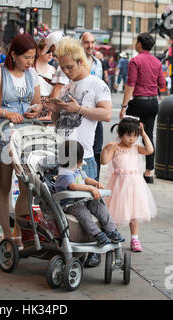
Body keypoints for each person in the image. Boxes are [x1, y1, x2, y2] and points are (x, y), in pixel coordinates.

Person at [46, 36, 112, 268]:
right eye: (62, 67)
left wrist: (79, 108)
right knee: (70, 208)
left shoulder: (96, 84)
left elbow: (106, 114)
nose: (66, 71)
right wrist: (52, 108)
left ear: (81, 61)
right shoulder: (66, 86)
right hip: (62, 155)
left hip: (83, 158)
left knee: (92, 204)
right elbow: (57, 119)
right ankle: (74, 246)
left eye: (69, 67)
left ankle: (96, 249)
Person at [0, 33, 42, 248]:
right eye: (26, 57)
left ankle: (19, 232)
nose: (30, 62)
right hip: (3, 133)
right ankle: (7, 235)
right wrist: (6, 113)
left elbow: (37, 103)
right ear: (13, 54)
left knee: (26, 187)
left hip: (26, 136)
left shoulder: (32, 75)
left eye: (33, 57)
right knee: (4, 185)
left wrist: (35, 110)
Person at [101, 117, 157, 252]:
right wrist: (106, 149)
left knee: (134, 213)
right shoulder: (115, 148)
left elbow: (150, 150)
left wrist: (144, 134)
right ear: (120, 134)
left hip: (134, 185)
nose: (132, 139)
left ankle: (135, 239)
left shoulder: (136, 148)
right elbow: (104, 161)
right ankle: (114, 237)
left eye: (135, 136)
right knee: (115, 212)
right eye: (129, 136)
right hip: (118, 184)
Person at [55, 140, 124, 246]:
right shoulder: (65, 173)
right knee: (83, 213)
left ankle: (111, 230)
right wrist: (91, 189)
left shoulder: (76, 170)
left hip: (83, 200)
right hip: (71, 204)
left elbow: (86, 179)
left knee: (99, 207)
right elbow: (73, 186)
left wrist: (96, 183)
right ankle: (96, 234)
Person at [120, 32, 166, 184]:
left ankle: (127, 167)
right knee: (148, 135)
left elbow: (131, 84)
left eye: (136, 41)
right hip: (153, 103)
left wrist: (123, 106)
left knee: (128, 133)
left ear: (140, 43)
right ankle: (148, 172)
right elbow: (162, 85)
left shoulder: (135, 61)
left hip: (138, 102)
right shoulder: (157, 62)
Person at [80, 32, 104, 183]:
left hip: (97, 113)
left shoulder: (98, 63)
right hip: (82, 113)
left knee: (97, 150)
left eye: (92, 42)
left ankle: (96, 181)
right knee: (82, 150)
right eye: (87, 42)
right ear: (81, 44)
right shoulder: (77, 62)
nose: (90, 46)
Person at [34, 37, 56, 120]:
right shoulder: (31, 67)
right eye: (48, 51)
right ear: (39, 51)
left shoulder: (53, 69)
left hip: (48, 107)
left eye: (52, 52)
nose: (50, 54)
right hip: (34, 106)